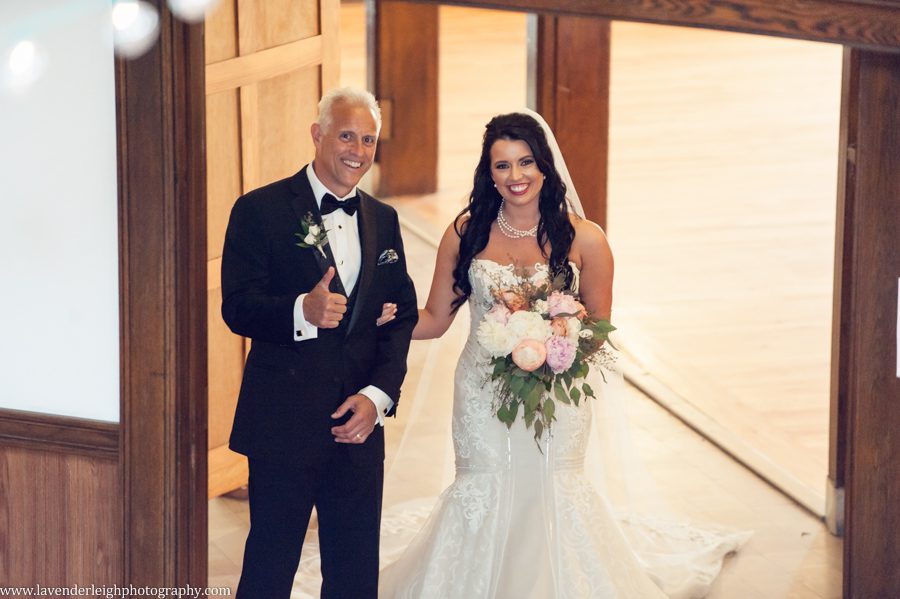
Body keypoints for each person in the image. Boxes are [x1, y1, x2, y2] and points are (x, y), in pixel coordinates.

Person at [378, 111, 749, 598]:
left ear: (546, 166)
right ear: (487, 173)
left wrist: (554, 346)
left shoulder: (586, 239)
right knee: (483, 484)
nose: (516, 177)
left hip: (556, 389)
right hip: (481, 389)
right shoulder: (466, 232)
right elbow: (436, 318)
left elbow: (597, 329)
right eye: (502, 166)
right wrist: (384, 320)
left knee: (552, 486)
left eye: (526, 162)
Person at [221, 86, 417, 599]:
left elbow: (402, 317)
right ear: (318, 134)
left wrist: (377, 399)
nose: (357, 150)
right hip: (284, 423)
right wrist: (300, 312)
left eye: (369, 139)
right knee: (269, 565)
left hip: (358, 428)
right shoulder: (259, 210)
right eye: (346, 135)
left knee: (354, 573)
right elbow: (236, 307)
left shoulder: (384, 219)